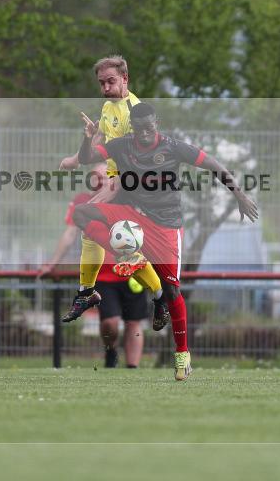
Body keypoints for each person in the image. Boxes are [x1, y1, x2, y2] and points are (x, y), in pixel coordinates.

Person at [71, 102, 259, 381]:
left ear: (156, 123)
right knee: (82, 212)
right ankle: (129, 254)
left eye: (150, 126)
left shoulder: (172, 147)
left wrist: (239, 195)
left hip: (166, 227)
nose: (145, 132)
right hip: (133, 218)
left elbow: (213, 165)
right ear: (133, 127)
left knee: (172, 293)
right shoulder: (123, 145)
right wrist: (88, 137)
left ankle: (182, 356)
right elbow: (86, 158)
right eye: (140, 127)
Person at [57, 55, 169, 329]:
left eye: (111, 81)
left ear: (125, 79)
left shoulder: (136, 111)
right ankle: (157, 296)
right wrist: (76, 157)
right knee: (102, 235)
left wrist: (114, 186)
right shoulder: (109, 106)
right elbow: (100, 139)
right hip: (117, 180)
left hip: (135, 186)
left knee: (94, 225)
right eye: (101, 83)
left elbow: (138, 159)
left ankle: (87, 292)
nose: (105, 87)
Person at [38, 164, 150, 368]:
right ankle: (111, 351)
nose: (103, 181)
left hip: (133, 272)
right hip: (103, 276)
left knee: (134, 323)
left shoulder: (131, 199)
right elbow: (70, 233)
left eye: (108, 177)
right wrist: (52, 263)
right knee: (110, 323)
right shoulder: (84, 202)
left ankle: (133, 370)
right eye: (98, 177)